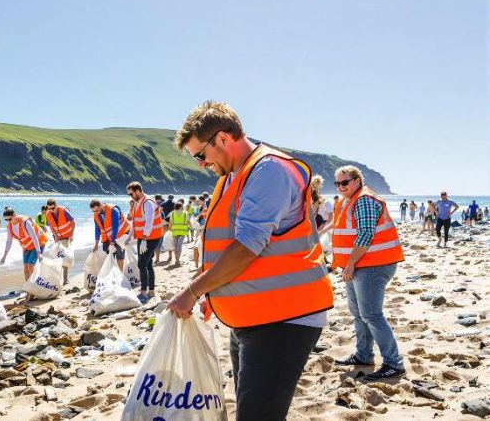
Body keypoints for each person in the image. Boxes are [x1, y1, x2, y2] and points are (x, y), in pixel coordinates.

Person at [167, 101, 333, 420]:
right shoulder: (232, 176)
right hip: (254, 316)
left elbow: (246, 246)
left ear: (224, 139)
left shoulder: (268, 169)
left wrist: (193, 291)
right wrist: (215, 293)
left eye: (201, 155)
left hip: (286, 317)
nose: (200, 164)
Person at [330, 165, 406, 381]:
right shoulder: (348, 200)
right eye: (337, 183)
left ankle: (393, 363)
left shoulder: (364, 199)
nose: (341, 186)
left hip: (372, 265)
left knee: (371, 314)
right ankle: (364, 355)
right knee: (359, 314)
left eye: (345, 182)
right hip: (357, 265)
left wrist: (351, 263)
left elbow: (366, 234)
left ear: (357, 180)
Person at [127, 181, 164, 303]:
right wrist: (129, 237)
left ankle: (143, 291)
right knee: (147, 264)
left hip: (151, 238)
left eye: (131, 194)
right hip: (143, 238)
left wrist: (144, 239)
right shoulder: (137, 202)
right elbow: (136, 222)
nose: (130, 196)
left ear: (138, 191)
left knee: (141, 264)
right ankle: (151, 291)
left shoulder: (147, 202)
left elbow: (149, 222)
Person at [1, 207, 48, 300]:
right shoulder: (9, 226)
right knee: (25, 269)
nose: (8, 221)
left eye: (9, 219)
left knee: (31, 266)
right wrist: (4, 255)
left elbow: (34, 237)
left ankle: (34, 290)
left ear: (14, 215)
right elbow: (9, 241)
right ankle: (29, 291)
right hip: (26, 246)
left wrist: (39, 253)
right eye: (5, 220)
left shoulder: (25, 222)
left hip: (38, 243)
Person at [90, 199, 129, 269]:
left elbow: (115, 228)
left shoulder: (113, 211)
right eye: (93, 211)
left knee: (119, 256)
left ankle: (120, 274)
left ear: (101, 205)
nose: (95, 213)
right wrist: (96, 244)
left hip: (121, 235)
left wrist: (112, 242)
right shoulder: (96, 214)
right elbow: (97, 229)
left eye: (96, 210)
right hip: (108, 237)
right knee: (108, 257)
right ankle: (111, 275)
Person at [45, 199, 75, 284]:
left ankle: (65, 279)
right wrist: (56, 236)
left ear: (56, 205)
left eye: (53, 208)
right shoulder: (48, 214)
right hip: (58, 238)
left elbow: (73, 222)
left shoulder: (64, 211)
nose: (51, 210)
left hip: (67, 237)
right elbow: (50, 226)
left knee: (64, 257)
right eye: (49, 208)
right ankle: (60, 277)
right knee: (58, 258)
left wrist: (72, 235)